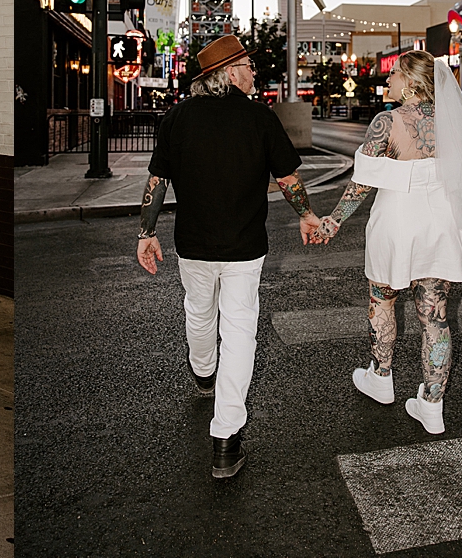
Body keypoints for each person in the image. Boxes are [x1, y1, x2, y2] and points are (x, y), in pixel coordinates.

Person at [135, 34, 327, 482]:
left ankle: (203, 373)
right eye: (248, 66)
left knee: (198, 311)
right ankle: (225, 440)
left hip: (193, 245)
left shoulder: (177, 117)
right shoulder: (260, 118)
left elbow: (157, 181)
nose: (254, 73)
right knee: (240, 333)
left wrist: (146, 233)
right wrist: (307, 215)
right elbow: (288, 179)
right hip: (244, 248)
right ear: (229, 73)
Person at [312, 48, 462, 435]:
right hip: (441, 222)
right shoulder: (451, 122)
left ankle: (381, 377)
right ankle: (432, 405)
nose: (388, 79)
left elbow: (362, 181)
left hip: (397, 222)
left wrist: (333, 221)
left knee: (383, 298)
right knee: (435, 316)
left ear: (412, 83)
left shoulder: (386, 122)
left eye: (394, 73)